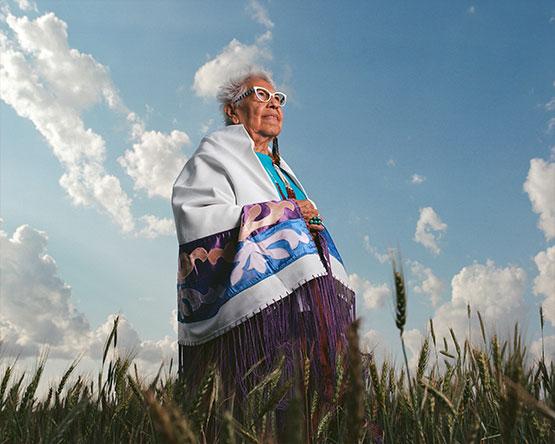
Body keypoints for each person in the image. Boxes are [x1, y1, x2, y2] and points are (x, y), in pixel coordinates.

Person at [171, 70, 355, 408]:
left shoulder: (284, 169)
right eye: (260, 94)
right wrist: (284, 213)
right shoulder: (216, 156)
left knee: (311, 405)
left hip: (304, 308)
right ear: (232, 110)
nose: (273, 103)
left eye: (278, 98)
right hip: (256, 315)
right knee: (257, 405)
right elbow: (195, 215)